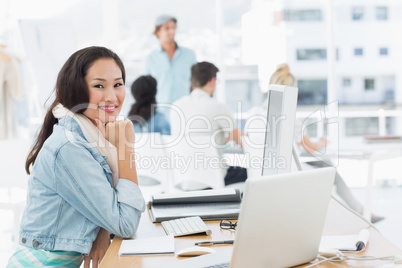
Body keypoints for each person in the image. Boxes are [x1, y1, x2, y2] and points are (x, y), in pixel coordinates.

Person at [7, 46, 145, 267]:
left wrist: (103, 228)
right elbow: (125, 223)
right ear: (76, 89)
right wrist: (126, 148)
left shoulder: (90, 138)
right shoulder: (70, 147)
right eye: (99, 85)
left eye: (118, 84)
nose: (112, 96)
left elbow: (105, 204)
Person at [246, 63, 383, 223]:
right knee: (331, 169)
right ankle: (360, 213)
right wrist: (322, 142)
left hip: (261, 171)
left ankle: (360, 212)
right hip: (288, 171)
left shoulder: (254, 114)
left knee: (327, 166)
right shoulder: (290, 118)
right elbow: (308, 147)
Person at [171, 61, 246, 187]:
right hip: (213, 180)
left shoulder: (176, 107)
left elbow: (194, 140)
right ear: (212, 81)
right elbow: (242, 141)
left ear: (193, 82)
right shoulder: (218, 107)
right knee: (252, 174)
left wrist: (223, 139)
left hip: (183, 181)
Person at [145, 14, 197, 108]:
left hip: (185, 110)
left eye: (173, 27)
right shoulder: (150, 58)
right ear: (157, 32)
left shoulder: (189, 55)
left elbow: (195, 84)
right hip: (160, 112)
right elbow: (146, 89)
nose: (172, 31)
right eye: (167, 28)